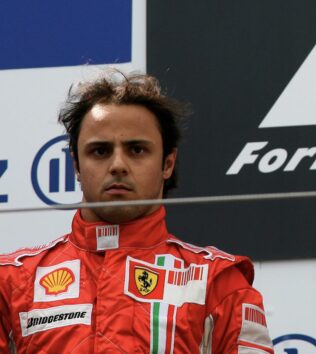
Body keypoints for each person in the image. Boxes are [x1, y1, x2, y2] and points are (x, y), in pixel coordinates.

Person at [0, 72, 274, 353]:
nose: (118, 164)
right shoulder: (11, 282)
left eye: (137, 150)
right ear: (76, 166)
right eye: (100, 151)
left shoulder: (218, 282)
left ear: (167, 163)